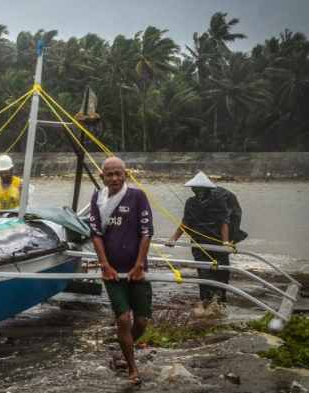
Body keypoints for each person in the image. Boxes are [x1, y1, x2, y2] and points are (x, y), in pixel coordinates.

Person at [88, 157, 153, 385]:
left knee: (142, 322)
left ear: (126, 175)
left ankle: (125, 348)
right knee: (123, 319)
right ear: (102, 177)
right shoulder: (97, 198)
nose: (114, 178)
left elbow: (146, 232)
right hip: (112, 272)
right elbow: (95, 234)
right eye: (109, 175)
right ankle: (132, 369)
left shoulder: (138, 197)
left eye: (118, 174)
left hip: (137, 270)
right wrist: (105, 265)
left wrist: (138, 265)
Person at [167, 171, 247, 304]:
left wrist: (226, 243)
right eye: (196, 190)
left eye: (201, 190)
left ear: (207, 189)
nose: (199, 192)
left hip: (217, 241)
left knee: (221, 273)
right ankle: (205, 303)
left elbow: (224, 222)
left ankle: (220, 303)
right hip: (199, 243)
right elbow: (185, 222)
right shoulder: (191, 203)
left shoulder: (218, 201)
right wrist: (173, 238)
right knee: (203, 274)